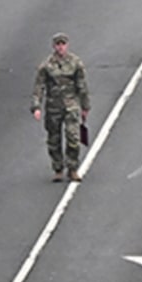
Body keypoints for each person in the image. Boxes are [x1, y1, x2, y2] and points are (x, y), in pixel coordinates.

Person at [32, 33, 90, 183]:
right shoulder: (46, 65)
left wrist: (85, 106)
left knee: (73, 138)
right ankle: (58, 168)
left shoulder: (75, 63)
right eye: (58, 44)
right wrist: (36, 107)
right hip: (53, 108)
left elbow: (82, 85)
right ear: (54, 46)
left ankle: (73, 168)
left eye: (63, 44)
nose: (60, 47)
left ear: (67, 45)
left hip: (71, 106)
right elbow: (39, 87)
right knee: (54, 139)